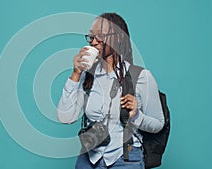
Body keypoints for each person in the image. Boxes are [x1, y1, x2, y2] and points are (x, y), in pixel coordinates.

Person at [57, 12, 164, 169]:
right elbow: (65, 117)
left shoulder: (140, 77)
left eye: (99, 36)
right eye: (91, 37)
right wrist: (76, 73)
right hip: (89, 158)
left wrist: (137, 116)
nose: (93, 42)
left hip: (125, 159)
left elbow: (158, 124)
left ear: (119, 37)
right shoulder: (88, 77)